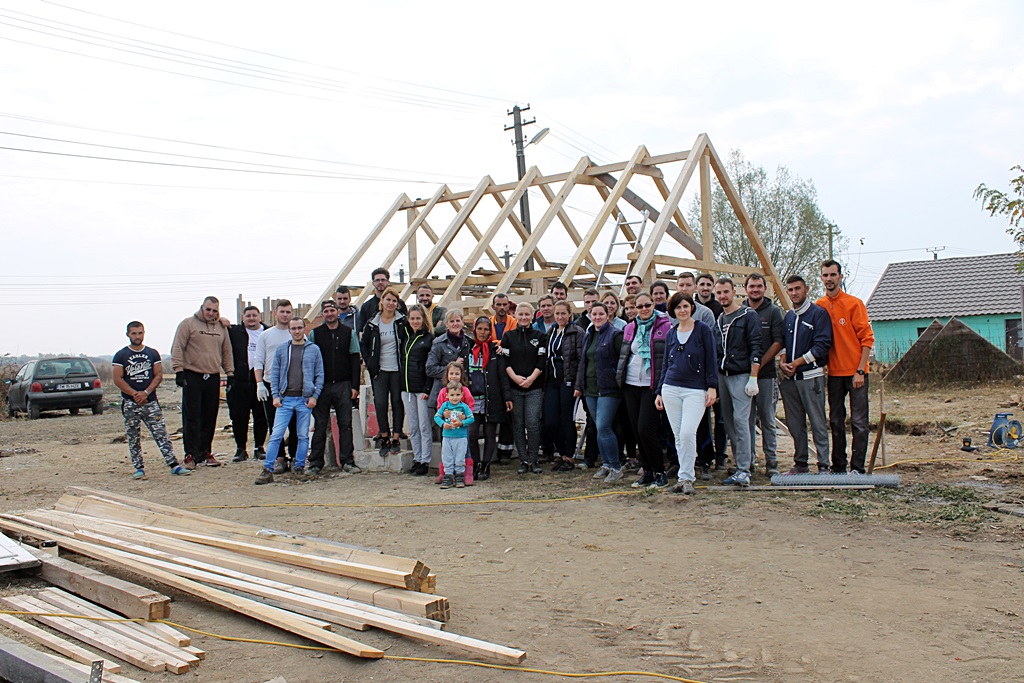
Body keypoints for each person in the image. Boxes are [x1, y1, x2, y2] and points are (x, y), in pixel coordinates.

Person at [655, 293, 718, 494]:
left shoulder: (703, 330)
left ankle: (689, 477)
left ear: (691, 307)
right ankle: (684, 477)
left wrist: (712, 386)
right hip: (671, 388)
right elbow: (666, 364)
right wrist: (659, 391)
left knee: (688, 432)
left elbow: (711, 359)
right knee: (678, 436)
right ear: (672, 311)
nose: (682, 310)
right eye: (677, 307)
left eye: (685, 306)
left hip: (695, 389)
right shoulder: (671, 333)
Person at [817, 259, 875, 474]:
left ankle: (857, 468)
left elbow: (867, 338)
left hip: (856, 373)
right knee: (835, 421)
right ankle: (839, 466)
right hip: (834, 374)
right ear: (821, 278)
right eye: (825, 275)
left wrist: (860, 370)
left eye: (833, 275)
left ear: (840, 277)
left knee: (859, 422)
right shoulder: (819, 306)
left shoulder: (854, 304)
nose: (829, 279)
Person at [113, 322, 190, 479]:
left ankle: (173, 464)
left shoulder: (152, 353)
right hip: (130, 403)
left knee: (161, 433)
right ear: (128, 334)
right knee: (133, 436)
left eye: (140, 333)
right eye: (134, 333)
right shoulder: (121, 355)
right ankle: (139, 467)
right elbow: (117, 379)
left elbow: (158, 375)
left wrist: (146, 392)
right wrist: (135, 394)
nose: (137, 336)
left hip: (150, 401)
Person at [255, 318, 324, 484]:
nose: (297, 331)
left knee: (302, 436)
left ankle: (299, 466)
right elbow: (275, 375)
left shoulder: (313, 350)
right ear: (290, 330)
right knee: (276, 435)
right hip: (285, 399)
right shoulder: (282, 350)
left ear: (304, 329)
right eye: (293, 328)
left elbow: (319, 375)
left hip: (304, 399)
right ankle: (267, 469)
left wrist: (314, 396)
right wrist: (276, 396)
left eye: (300, 328)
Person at [778, 275, 833, 474]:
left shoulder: (818, 314)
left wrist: (798, 362)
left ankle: (824, 465)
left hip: (811, 377)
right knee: (795, 423)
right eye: (790, 290)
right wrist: (783, 361)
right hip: (791, 379)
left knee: (817, 422)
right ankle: (801, 463)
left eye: (797, 289)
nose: (794, 293)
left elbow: (822, 346)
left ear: (806, 289)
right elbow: (784, 342)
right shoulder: (789, 316)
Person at [171, 296, 233, 469]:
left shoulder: (221, 327)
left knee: (209, 416)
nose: (211, 313)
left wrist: (230, 372)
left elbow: (226, 351)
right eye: (208, 309)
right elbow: (177, 347)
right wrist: (178, 370)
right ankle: (190, 454)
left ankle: (205, 452)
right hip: (193, 375)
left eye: (214, 310)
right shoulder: (188, 324)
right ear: (202, 308)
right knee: (192, 416)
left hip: (212, 376)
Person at [618, 292, 673, 488]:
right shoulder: (630, 328)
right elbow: (625, 355)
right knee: (636, 430)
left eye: (647, 305)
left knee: (646, 428)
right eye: (639, 306)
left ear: (653, 305)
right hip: (631, 383)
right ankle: (647, 470)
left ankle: (659, 471)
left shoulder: (665, 326)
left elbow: (667, 357)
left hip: (652, 384)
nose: (643, 309)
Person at [713, 278, 763, 487]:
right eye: (719, 293)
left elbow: (756, 345)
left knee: (742, 422)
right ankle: (743, 462)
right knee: (728, 422)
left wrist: (753, 376)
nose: (723, 296)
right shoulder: (720, 319)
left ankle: (743, 470)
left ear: (734, 292)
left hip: (742, 375)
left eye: (726, 292)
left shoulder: (747, 315)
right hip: (723, 375)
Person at [676, 271, 725, 473]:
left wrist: (709, 381)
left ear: (693, 288)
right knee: (681, 424)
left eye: (689, 285)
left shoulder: (704, 313)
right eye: (682, 285)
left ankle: (706, 458)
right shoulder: (674, 312)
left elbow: (710, 348)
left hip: (699, 377)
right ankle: (683, 460)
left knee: (702, 420)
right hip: (678, 377)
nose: (685, 288)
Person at [308, 300, 361, 476]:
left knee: (345, 424)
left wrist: (355, 386)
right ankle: (315, 463)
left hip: (343, 385)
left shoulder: (348, 333)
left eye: (332, 310)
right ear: (323, 314)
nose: (330, 313)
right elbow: (310, 361)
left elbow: (355, 359)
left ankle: (347, 461)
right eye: (326, 311)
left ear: (338, 312)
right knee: (320, 425)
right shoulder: (315, 334)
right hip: (321, 387)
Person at [575, 302, 624, 483]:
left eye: (600, 314)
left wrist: (617, 382)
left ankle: (615, 466)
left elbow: (622, 361)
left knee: (604, 427)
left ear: (607, 315)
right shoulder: (589, 335)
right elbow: (583, 362)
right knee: (598, 427)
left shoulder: (615, 335)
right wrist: (580, 386)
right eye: (594, 314)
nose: (597, 317)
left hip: (608, 389)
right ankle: (606, 464)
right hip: (591, 389)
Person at [743, 273, 786, 477]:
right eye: (752, 286)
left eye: (759, 286)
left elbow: (778, 342)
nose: (755, 290)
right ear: (746, 289)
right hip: (744, 376)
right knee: (747, 420)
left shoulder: (773, 312)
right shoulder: (741, 311)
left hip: (766, 375)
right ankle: (749, 462)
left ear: (764, 288)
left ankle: (772, 462)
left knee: (767, 419)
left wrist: (758, 365)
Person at [254, 300, 299, 474]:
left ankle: (295, 456)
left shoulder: (296, 334)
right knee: (275, 425)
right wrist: (259, 383)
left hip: (293, 386)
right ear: (275, 313)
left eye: (288, 312)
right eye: (282, 311)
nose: (285, 315)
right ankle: (280, 458)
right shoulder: (266, 335)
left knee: (295, 425)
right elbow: (258, 360)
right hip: (271, 385)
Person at [502, 302, 547, 474]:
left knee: (533, 423)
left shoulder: (540, 336)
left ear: (532, 316)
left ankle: (534, 459)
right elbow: (505, 361)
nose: (523, 317)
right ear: (515, 316)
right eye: (520, 314)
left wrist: (531, 379)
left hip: (534, 387)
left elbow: (541, 360)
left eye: (527, 314)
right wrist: (515, 378)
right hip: (515, 388)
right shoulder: (508, 336)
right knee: (518, 424)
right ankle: (523, 460)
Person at [361, 287, 406, 457]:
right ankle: (384, 437)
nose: (391, 303)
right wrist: (369, 362)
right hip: (379, 370)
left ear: (397, 304)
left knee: (396, 402)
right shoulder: (373, 323)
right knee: (380, 403)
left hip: (397, 370)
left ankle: (396, 438)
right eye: (388, 300)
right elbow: (364, 344)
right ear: (382, 301)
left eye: (394, 301)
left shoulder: (402, 321)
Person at [466, 318, 512, 481]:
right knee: (472, 433)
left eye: (486, 329)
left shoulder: (495, 351)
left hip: (490, 399)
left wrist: (507, 397)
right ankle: (476, 464)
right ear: (474, 329)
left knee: (489, 433)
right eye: (480, 329)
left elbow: (502, 376)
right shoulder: (467, 349)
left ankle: (486, 465)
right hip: (472, 400)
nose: (483, 332)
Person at [544, 301, 583, 472]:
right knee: (550, 420)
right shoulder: (551, 331)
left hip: (568, 380)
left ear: (569, 314)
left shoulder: (576, 332)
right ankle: (561, 451)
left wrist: (579, 384)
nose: (560, 317)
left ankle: (568, 455)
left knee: (566, 419)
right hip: (552, 381)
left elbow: (581, 360)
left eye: (563, 314)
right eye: (557, 313)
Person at [226, 305, 268, 462]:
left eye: (254, 315)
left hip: (261, 381)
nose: (251, 318)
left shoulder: (267, 332)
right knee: (239, 417)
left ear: (259, 317)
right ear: (243, 318)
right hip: (239, 381)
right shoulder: (234, 332)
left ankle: (259, 448)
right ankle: (241, 449)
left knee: (261, 416)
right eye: (248, 316)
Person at [399, 304, 435, 476]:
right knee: (413, 426)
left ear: (423, 319)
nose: (414, 321)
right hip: (406, 388)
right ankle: (417, 457)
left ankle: (425, 460)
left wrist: (428, 387)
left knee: (424, 425)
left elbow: (429, 366)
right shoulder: (405, 336)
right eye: (412, 318)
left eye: (418, 318)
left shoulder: (428, 339)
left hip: (421, 389)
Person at [426, 309, 473, 406]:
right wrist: (451, 369)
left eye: (457, 320)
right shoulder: (438, 343)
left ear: (462, 322)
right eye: (451, 321)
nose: (455, 324)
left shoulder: (470, 342)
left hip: (463, 395)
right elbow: (430, 368)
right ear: (446, 324)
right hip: (443, 396)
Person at [434, 381, 475, 488]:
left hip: (461, 437)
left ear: (462, 395)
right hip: (447, 436)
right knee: (447, 457)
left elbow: (471, 419)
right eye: (452, 395)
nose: (455, 398)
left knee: (460, 457)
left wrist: (462, 422)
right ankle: (448, 477)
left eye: (457, 395)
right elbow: (436, 417)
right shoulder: (445, 406)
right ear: (447, 395)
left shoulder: (464, 407)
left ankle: (459, 476)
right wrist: (443, 424)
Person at [359, 268, 408, 336]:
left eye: (383, 280)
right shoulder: (366, 306)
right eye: (377, 280)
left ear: (388, 282)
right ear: (373, 283)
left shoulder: (399, 303)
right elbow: (362, 331)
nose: (380, 282)